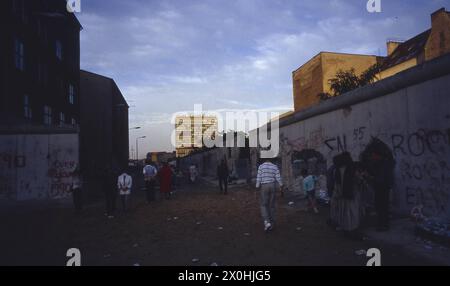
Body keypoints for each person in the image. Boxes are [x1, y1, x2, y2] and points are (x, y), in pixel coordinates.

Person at [330, 152, 365, 239]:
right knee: (353, 213)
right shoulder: (352, 169)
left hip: (342, 196)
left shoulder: (337, 170)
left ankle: (346, 230)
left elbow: (336, 185)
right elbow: (358, 181)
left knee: (344, 214)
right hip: (352, 195)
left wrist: (336, 195)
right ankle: (351, 231)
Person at [256, 157, 283, 232]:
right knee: (272, 205)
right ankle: (273, 223)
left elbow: (258, 177)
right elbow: (278, 177)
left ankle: (267, 222)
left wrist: (257, 186)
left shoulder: (261, 167)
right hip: (273, 185)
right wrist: (281, 186)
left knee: (264, 205)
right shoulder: (274, 166)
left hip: (264, 186)